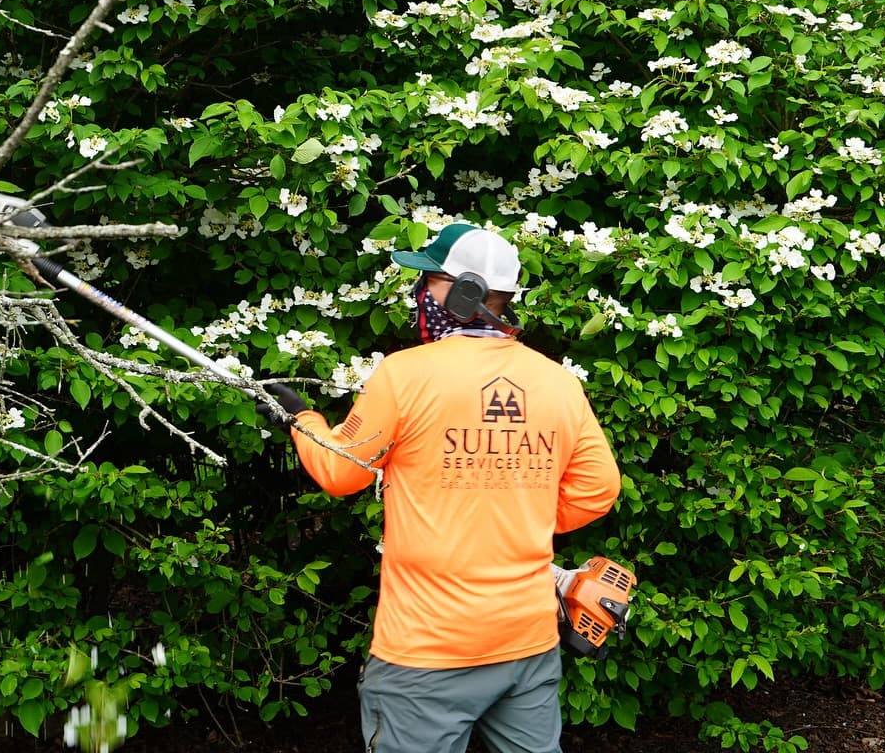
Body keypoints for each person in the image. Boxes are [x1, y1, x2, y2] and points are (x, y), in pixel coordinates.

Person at [258, 222, 621, 753]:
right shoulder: (557, 382)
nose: (419, 292)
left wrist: (300, 418)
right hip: (526, 644)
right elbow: (597, 490)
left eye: (428, 280)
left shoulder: (405, 375)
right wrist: (512, 511)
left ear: (464, 291)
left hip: (426, 651)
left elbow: (340, 471)